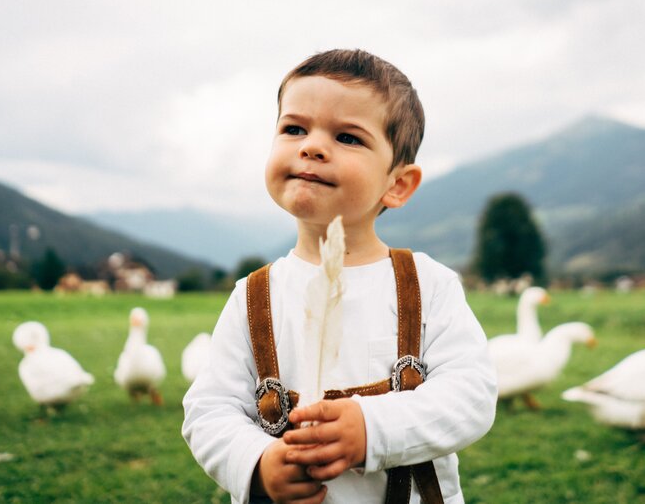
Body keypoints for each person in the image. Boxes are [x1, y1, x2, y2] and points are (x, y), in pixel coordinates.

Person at [182, 49, 497, 504]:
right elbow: (209, 410)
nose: (311, 146)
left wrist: (373, 429)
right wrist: (257, 463)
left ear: (398, 183)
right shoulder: (254, 297)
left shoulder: (428, 286)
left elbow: (470, 396)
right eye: (294, 129)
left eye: (348, 137)